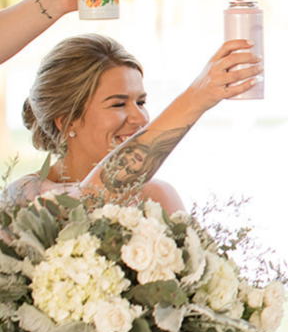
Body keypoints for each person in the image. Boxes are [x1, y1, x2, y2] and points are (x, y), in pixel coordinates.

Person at [4, 33, 262, 212]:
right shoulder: (26, 195)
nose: (140, 118)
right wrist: (196, 97)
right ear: (67, 121)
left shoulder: (158, 197)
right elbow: (87, 201)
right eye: (118, 104)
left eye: (141, 102)